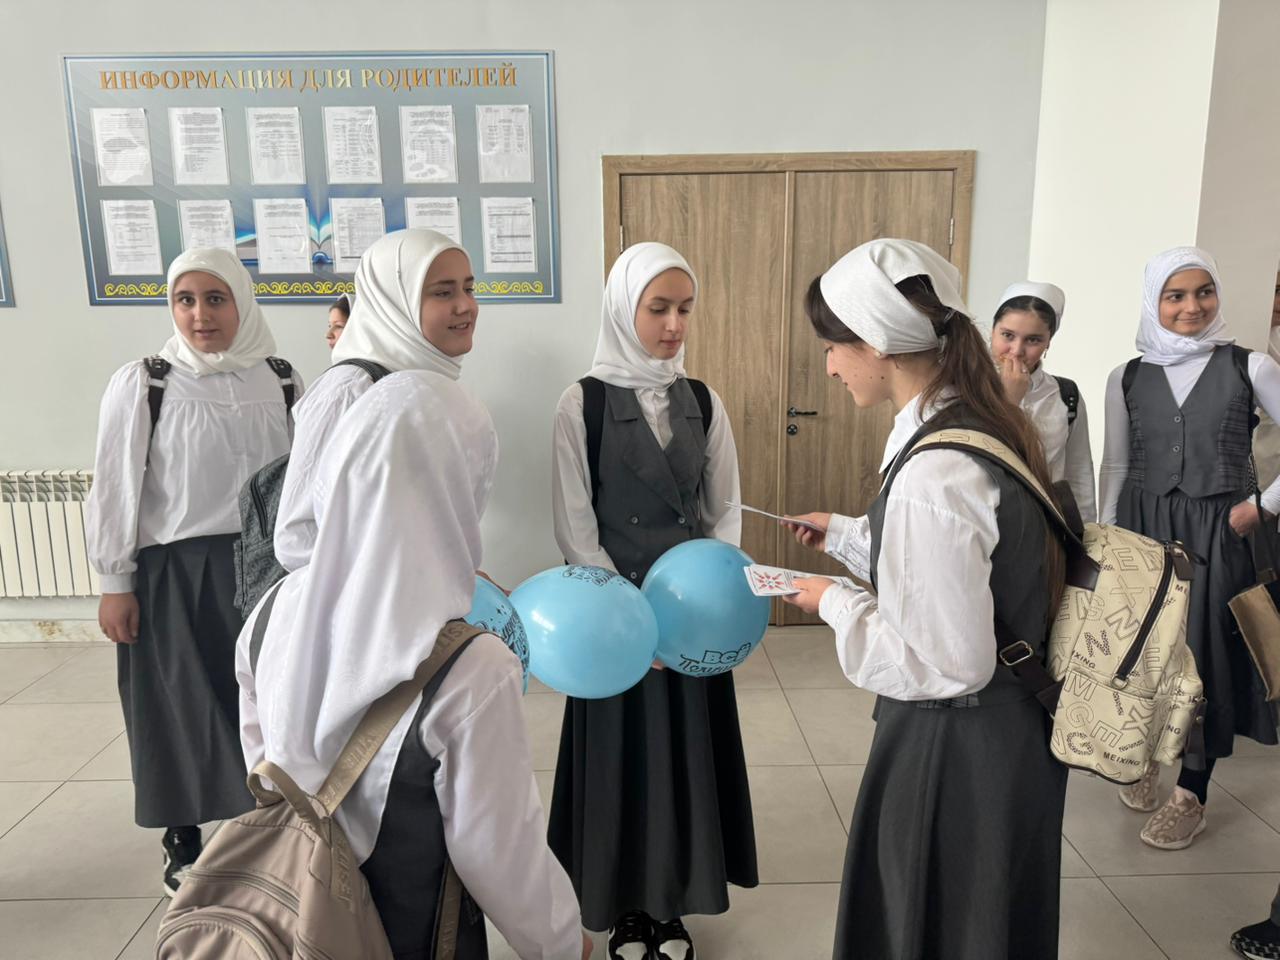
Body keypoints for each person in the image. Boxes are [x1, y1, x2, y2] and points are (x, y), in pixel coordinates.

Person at [238, 371, 590, 960]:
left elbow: (262, 759)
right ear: (462, 486)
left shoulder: (273, 608)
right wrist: (561, 942)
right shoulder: (472, 666)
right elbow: (497, 851)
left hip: (289, 907)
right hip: (414, 929)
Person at [781, 238, 1068, 959]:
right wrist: (848, 535)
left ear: (877, 342)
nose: (829, 366)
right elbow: (973, 572)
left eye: (833, 346)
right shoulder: (983, 421)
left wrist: (832, 602)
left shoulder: (933, 471)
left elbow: (943, 663)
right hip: (1012, 731)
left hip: (957, 745)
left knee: (931, 923)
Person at [549, 241, 757, 960]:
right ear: (622, 310)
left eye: (685, 309)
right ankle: (626, 909)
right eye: (658, 308)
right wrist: (636, 626)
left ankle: (671, 907)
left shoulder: (702, 400)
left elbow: (725, 511)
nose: (674, 325)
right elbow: (576, 528)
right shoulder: (582, 403)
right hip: (615, 626)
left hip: (692, 622)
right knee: (622, 763)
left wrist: (702, 606)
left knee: (686, 763)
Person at [86, 247, 301, 896]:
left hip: (267, 567)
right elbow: (115, 486)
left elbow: (306, 480)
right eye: (185, 300)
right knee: (175, 703)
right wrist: (114, 582)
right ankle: (181, 836)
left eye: (215, 299)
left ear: (242, 302)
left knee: (264, 702)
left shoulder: (281, 379)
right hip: (174, 570)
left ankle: (267, 830)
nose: (200, 315)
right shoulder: (147, 383)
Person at [1099, 247, 1280, 848]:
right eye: (1174, 295)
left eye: (1204, 291)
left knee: (1204, 657)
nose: (1192, 306)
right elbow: (1116, 463)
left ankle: (1191, 792)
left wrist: (1264, 506)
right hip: (1142, 527)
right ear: (1153, 300)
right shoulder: (1126, 376)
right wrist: (1108, 540)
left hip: (1218, 531)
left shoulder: (1251, 366)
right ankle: (1146, 754)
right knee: (1147, 651)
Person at [275, 229, 476, 573]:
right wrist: (397, 582)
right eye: (443, 293)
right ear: (393, 302)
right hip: (359, 601)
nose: (465, 306)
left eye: (468, 289)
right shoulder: (349, 389)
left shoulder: (429, 383)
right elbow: (297, 538)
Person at [991, 281, 1097, 522]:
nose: (1016, 350)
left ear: (1049, 341)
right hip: (982, 524)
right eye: (1007, 335)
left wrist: (1087, 533)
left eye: (1033, 340)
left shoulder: (1065, 394)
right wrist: (1008, 400)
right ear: (993, 330)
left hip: (1045, 526)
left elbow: (1079, 474)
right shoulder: (963, 387)